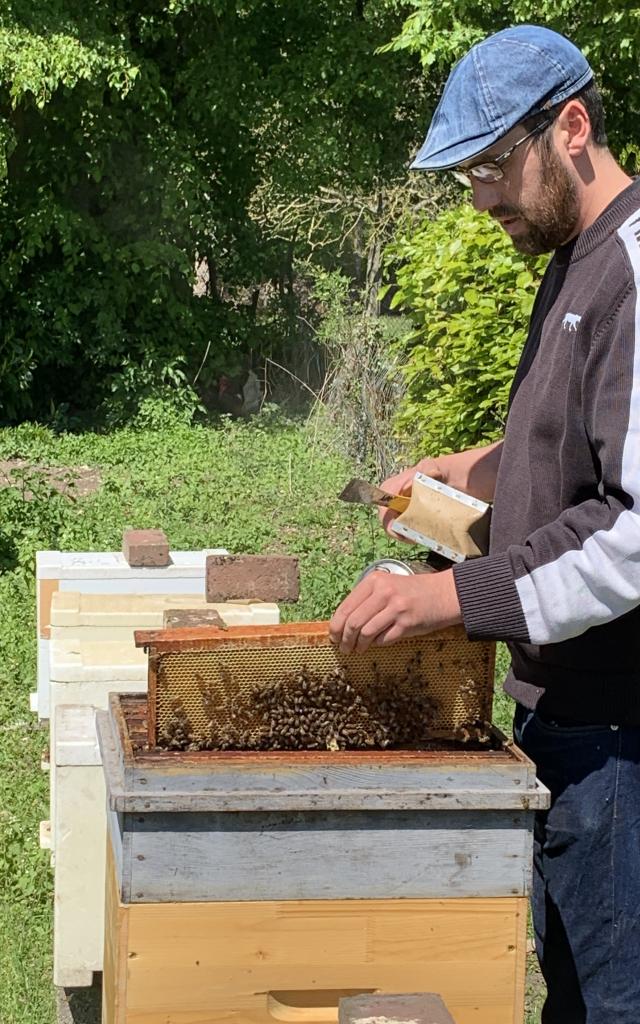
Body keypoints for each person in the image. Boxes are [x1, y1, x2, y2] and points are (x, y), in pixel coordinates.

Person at [329, 25, 640, 1024]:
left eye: (492, 168)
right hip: (564, 720)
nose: (480, 200)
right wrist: (455, 476)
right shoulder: (573, 261)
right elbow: (567, 449)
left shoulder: (634, 272)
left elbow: (629, 535)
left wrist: (442, 597)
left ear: (573, 128)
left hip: (620, 738)